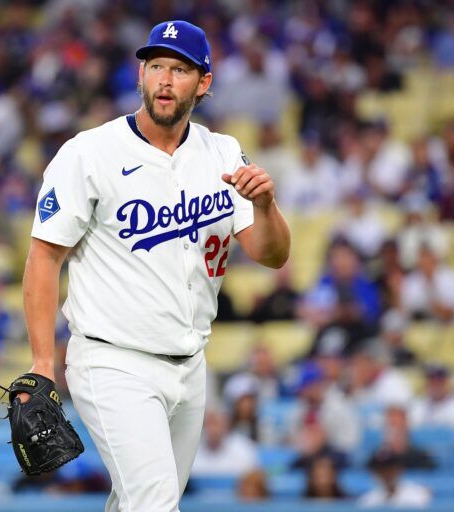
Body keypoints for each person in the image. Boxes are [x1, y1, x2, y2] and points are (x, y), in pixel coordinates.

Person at [20, 20, 290, 512]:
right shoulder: (89, 152)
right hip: (112, 361)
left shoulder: (223, 152)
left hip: (190, 366)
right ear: (141, 74)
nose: (165, 80)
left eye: (180, 69)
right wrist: (42, 365)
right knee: (155, 503)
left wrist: (268, 207)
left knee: (134, 504)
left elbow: (272, 255)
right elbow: (44, 257)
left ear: (203, 82)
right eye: (156, 66)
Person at [358, 450, 431, 508]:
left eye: (389, 470)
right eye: (380, 471)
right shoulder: (368, 500)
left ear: (399, 470)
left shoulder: (419, 495)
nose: (386, 475)